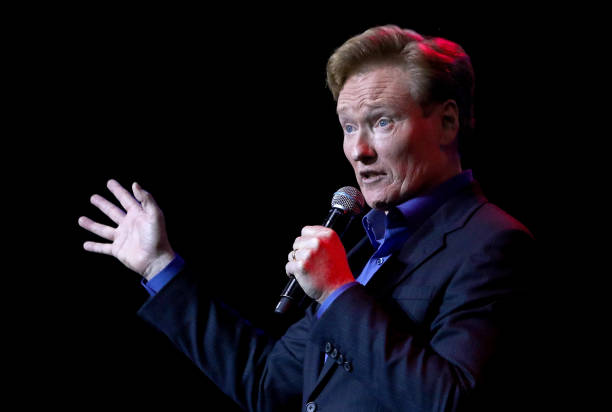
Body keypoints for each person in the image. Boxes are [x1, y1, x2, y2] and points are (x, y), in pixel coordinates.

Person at [78, 25, 538, 411]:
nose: (359, 151)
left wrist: (338, 291)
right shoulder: (363, 247)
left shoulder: (495, 243)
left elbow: (450, 402)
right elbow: (266, 383)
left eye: (381, 122)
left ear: (447, 123)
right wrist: (160, 267)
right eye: (348, 126)